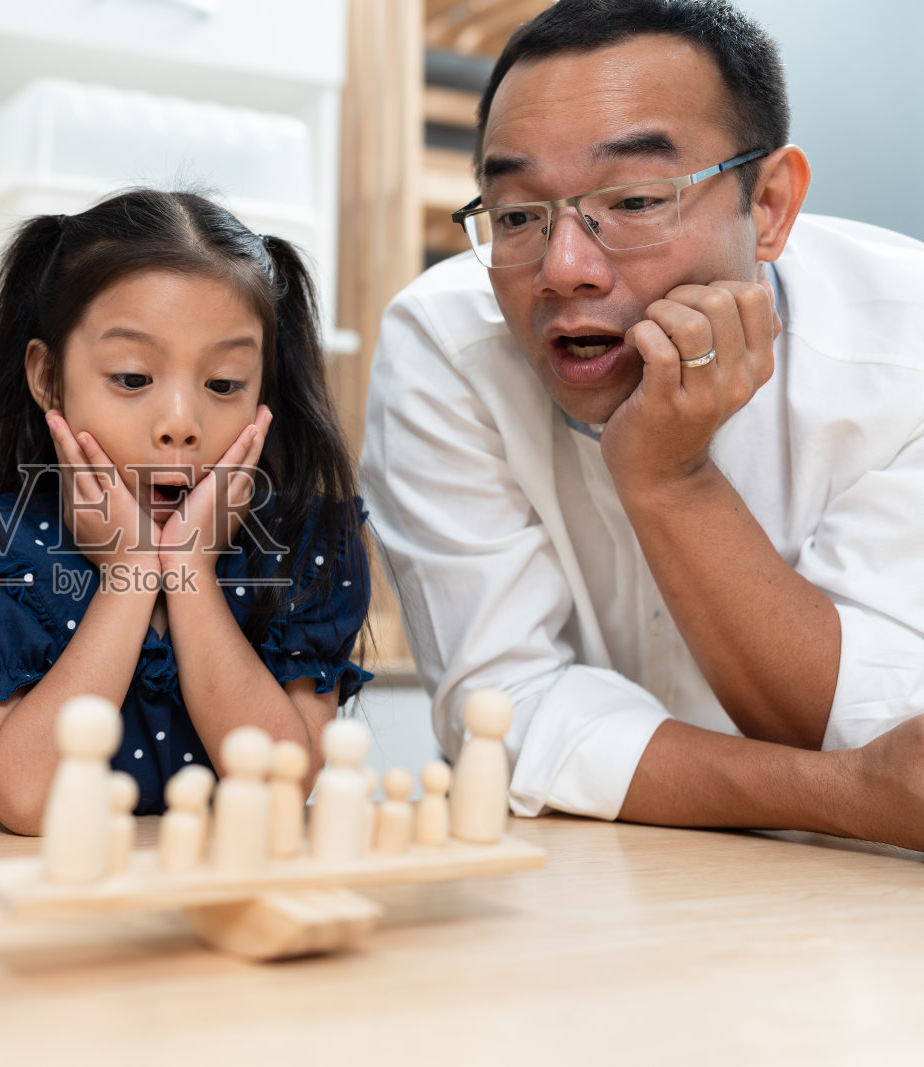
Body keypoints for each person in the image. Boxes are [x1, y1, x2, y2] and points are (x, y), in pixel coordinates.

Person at [363, 0, 924, 851]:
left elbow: (881, 722)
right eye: (516, 215)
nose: (563, 269)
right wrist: (840, 792)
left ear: (768, 205)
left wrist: (670, 478)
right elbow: (503, 714)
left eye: (630, 200)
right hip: (589, 891)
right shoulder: (445, 342)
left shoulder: (904, 340)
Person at [0, 190, 372, 834]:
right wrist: (131, 570)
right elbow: (26, 800)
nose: (180, 425)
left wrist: (188, 568)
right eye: (133, 378)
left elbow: (282, 786)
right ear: (48, 378)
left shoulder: (304, 544)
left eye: (224, 384)